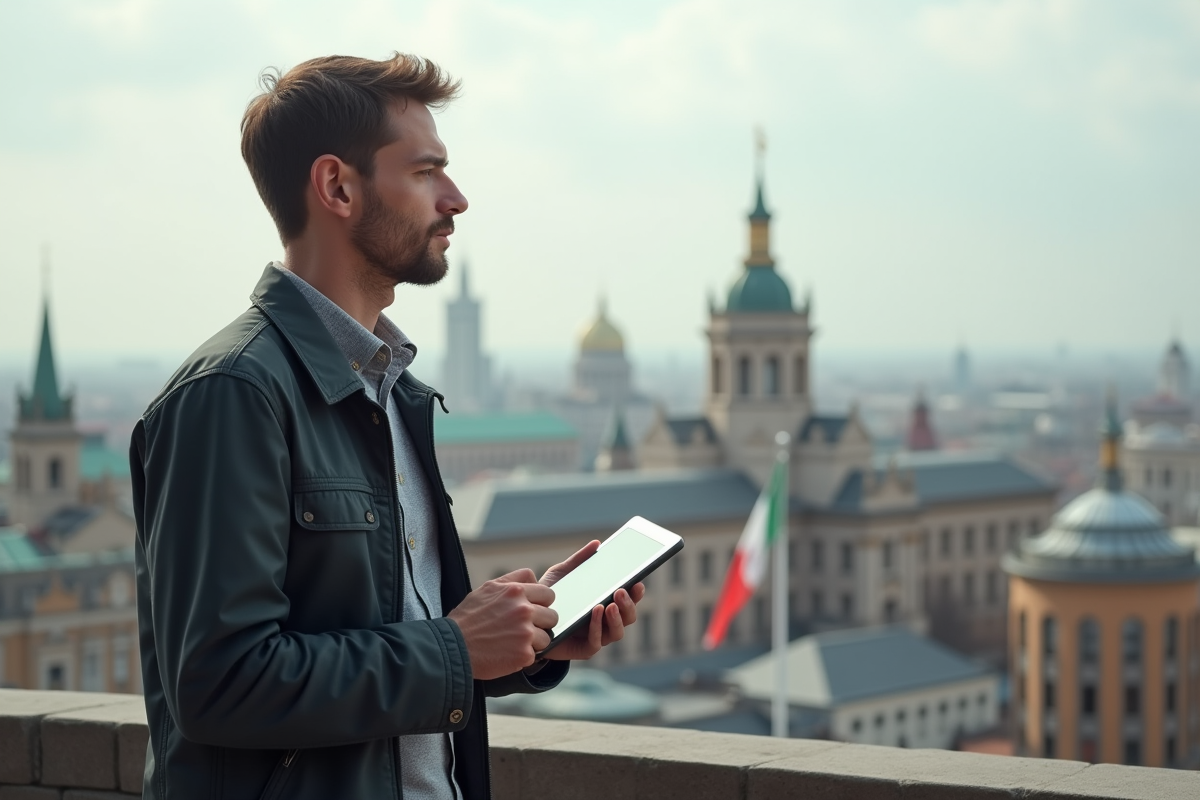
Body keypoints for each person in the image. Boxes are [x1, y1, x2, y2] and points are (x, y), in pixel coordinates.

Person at [130, 53, 643, 800]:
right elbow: (219, 684)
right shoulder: (233, 394)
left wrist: (529, 633)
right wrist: (457, 646)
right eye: (427, 171)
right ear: (338, 186)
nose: (457, 199)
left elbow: (390, 648)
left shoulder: (394, 393)